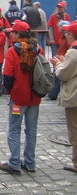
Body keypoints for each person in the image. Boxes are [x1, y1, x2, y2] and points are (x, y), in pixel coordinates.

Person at [0, 20, 42, 175]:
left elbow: (8, 76)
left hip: (18, 97)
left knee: (14, 129)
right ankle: (30, 163)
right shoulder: (38, 49)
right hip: (34, 97)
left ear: (17, 34)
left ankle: (14, 163)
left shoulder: (12, 51)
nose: (11, 35)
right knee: (31, 130)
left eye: (13, 32)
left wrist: (9, 91)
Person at [50, 22, 77, 174]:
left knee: (74, 130)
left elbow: (63, 74)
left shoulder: (73, 52)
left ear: (71, 35)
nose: (64, 35)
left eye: (66, 33)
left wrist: (58, 64)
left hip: (74, 95)